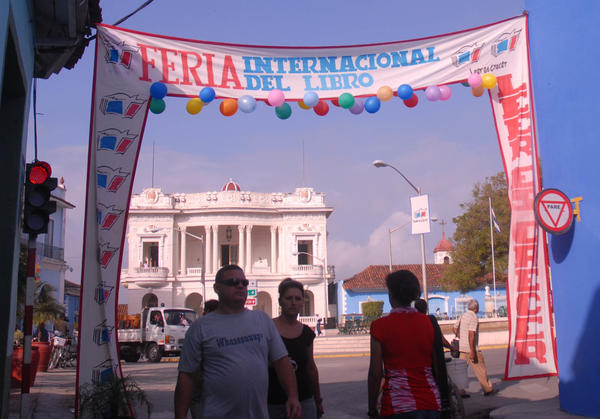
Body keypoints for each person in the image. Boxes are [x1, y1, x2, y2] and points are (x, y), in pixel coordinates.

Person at [174, 264, 302, 419]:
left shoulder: (261, 319)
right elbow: (187, 376)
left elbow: (282, 361)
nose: (240, 286)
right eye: (233, 282)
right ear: (217, 288)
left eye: (244, 282)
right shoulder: (200, 328)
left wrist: (293, 396)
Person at [368, 270, 442, 418]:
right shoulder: (429, 323)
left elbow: (375, 373)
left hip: (396, 406)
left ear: (391, 295)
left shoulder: (379, 326)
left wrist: (372, 408)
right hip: (431, 403)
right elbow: (438, 367)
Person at [268, 278, 324, 419]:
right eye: (289, 298)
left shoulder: (306, 333)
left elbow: (310, 367)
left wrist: (317, 399)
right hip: (273, 401)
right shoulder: (268, 328)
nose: (293, 302)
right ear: (280, 301)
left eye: (298, 299)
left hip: (304, 399)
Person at [453, 299, 497, 397]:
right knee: (481, 370)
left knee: (461, 371)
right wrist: (472, 351)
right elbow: (471, 334)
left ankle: (460, 391)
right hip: (471, 348)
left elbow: (454, 328)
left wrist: (461, 337)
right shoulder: (473, 317)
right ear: (476, 308)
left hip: (462, 348)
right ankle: (487, 389)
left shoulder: (463, 315)